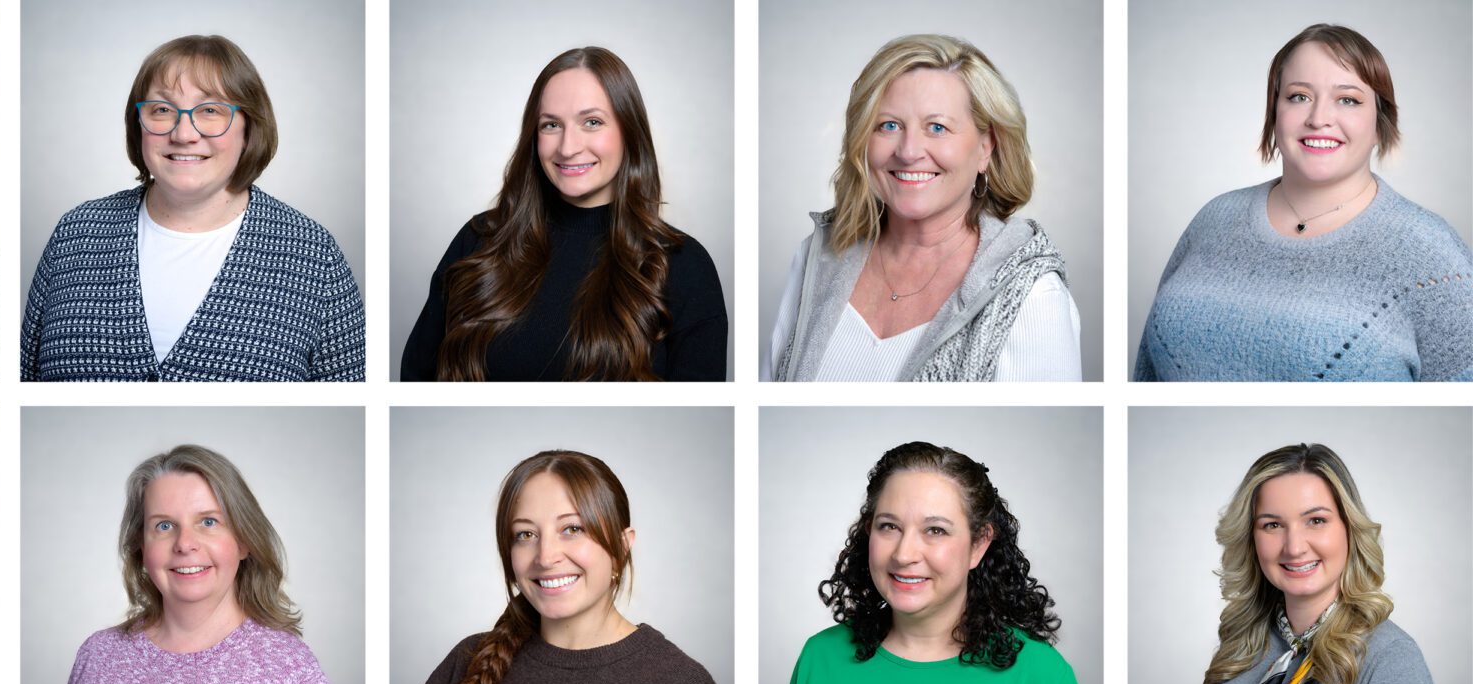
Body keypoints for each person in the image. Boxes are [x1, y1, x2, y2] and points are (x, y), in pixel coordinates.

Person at [1136, 24, 1473, 382]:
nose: (1318, 119)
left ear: (1379, 122)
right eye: (1299, 96)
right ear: (1274, 111)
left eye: (1348, 99)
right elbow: (1146, 372)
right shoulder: (1213, 218)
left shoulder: (1429, 253)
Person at [23, 34, 365, 381]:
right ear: (138, 124)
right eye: (162, 110)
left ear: (249, 127)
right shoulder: (76, 234)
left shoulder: (313, 256)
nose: (184, 133)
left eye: (210, 110)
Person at [761, 441, 1098, 684]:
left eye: (935, 530)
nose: (904, 553)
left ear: (979, 545)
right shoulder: (820, 659)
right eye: (889, 526)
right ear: (869, 532)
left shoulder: (1042, 680)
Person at [399, 448, 731, 684]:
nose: (546, 557)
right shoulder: (465, 664)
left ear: (622, 547)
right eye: (525, 534)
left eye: (572, 528)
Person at [401, 47, 725, 382]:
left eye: (592, 122)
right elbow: (415, 379)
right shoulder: (479, 241)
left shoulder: (685, 266)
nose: (568, 147)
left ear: (629, 132)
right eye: (551, 124)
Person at [769, 35, 1080, 382]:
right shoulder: (816, 258)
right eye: (889, 125)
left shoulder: (1033, 298)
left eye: (937, 127)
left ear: (985, 148)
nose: (908, 150)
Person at [44, 444, 358, 684]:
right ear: (141, 546)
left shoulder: (288, 669)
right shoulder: (97, 653)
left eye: (208, 522)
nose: (185, 544)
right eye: (164, 526)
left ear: (243, 541)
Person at [1194, 443, 1434, 684]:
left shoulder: (1391, 662)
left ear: (1349, 529)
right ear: (1252, 538)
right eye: (1272, 525)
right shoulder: (1249, 638)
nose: (1294, 547)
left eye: (1316, 520)